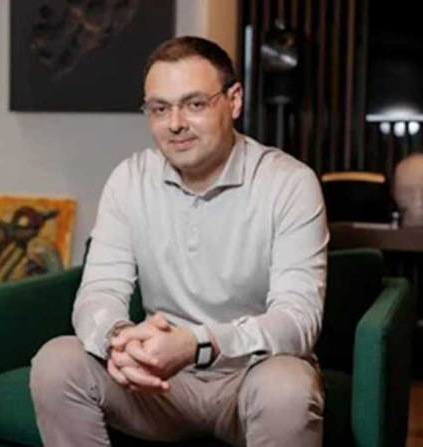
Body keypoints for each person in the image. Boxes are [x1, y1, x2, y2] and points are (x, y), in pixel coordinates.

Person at [30, 36, 329, 447]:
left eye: (194, 104)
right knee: (57, 363)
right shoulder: (129, 180)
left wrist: (199, 344)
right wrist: (119, 338)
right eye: (159, 108)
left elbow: (298, 320)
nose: (175, 123)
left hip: (250, 377)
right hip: (159, 383)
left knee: (287, 388)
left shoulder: (289, 183)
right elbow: (99, 290)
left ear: (234, 101)